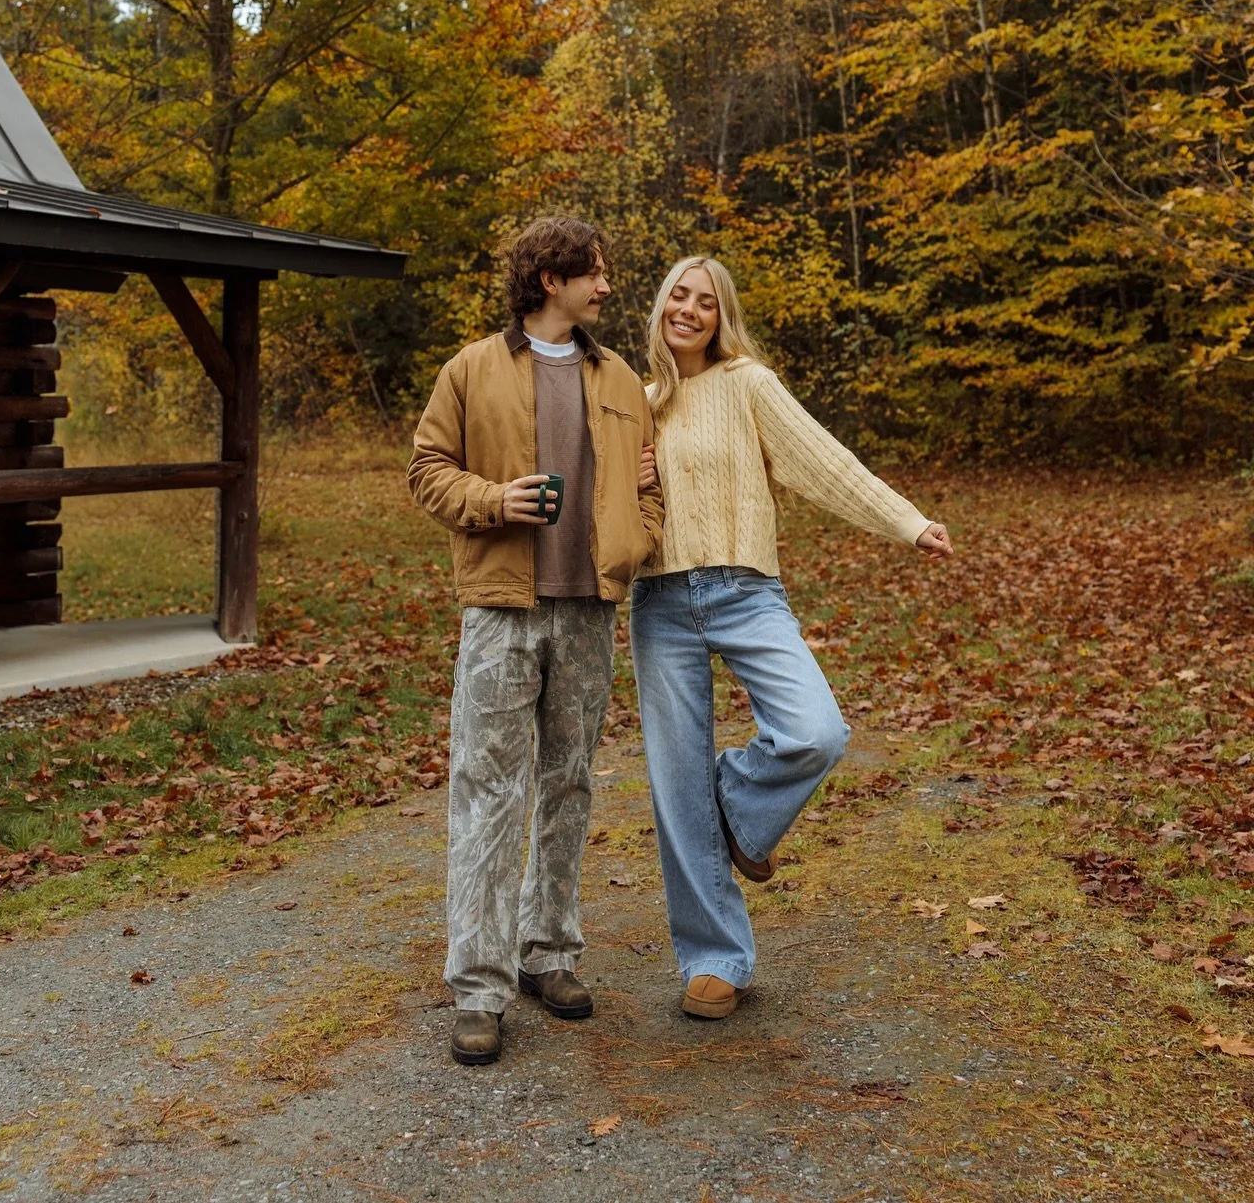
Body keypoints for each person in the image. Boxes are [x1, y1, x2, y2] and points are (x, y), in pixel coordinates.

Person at [631, 256, 952, 1021]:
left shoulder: (749, 383)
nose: (690, 309)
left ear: (722, 316)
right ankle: (717, 960)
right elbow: (597, 496)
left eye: (706, 301)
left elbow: (822, 461)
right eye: (679, 294)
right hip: (661, 599)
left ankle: (736, 809)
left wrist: (906, 520)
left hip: (746, 590)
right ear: (660, 305)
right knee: (673, 784)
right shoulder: (633, 402)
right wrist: (629, 477)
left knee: (816, 731)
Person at [408, 216, 663, 1066]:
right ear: (550, 278)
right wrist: (494, 500)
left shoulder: (622, 377)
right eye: (594, 271)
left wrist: (637, 536)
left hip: (589, 609)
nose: (605, 285)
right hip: (500, 611)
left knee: (570, 782)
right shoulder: (471, 368)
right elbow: (426, 470)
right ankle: (478, 988)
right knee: (487, 792)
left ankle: (548, 953)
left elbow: (648, 482)